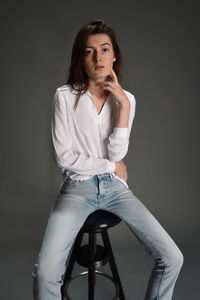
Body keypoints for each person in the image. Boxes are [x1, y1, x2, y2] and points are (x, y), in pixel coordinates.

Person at [32, 19, 183, 300]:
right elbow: (65, 158)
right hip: (77, 191)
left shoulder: (127, 100)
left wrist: (123, 105)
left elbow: (117, 154)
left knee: (172, 257)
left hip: (114, 189)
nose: (98, 57)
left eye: (104, 49)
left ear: (114, 55)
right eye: (89, 51)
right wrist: (111, 166)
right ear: (81, 57)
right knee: (45, 275)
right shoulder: (64, 97)